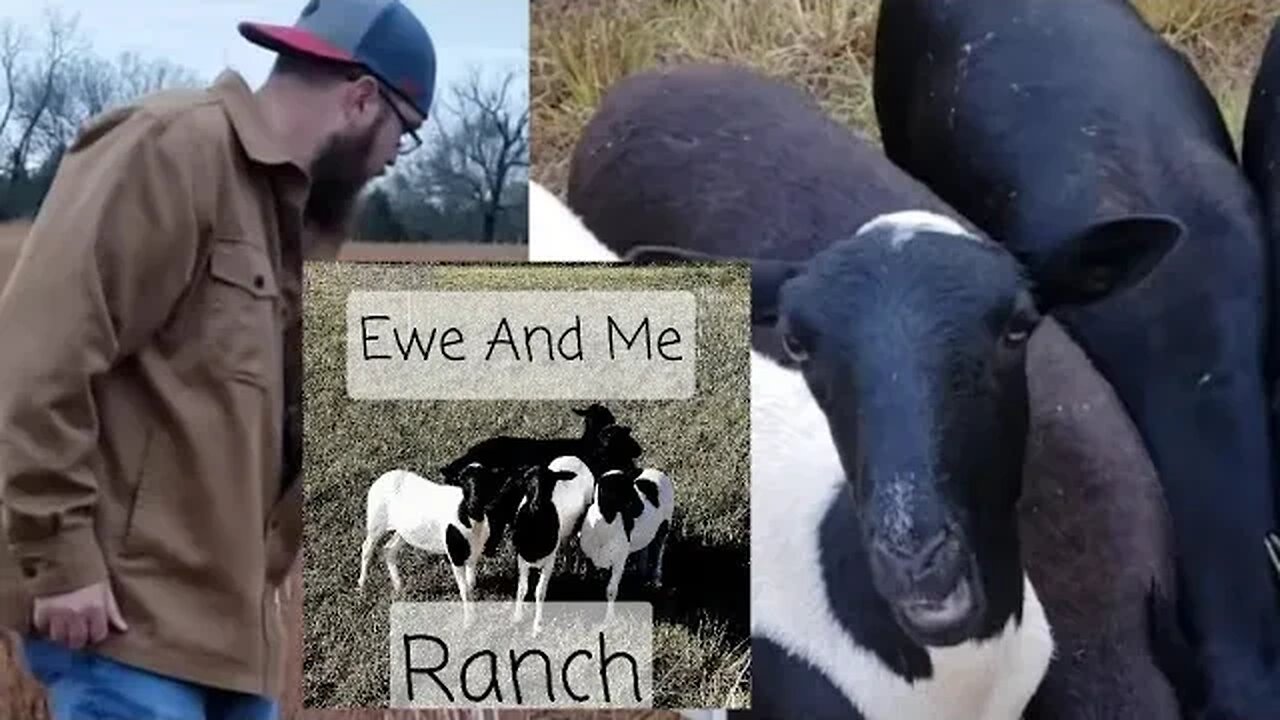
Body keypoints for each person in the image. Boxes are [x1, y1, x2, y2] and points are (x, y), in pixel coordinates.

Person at [0, 0, 435, 718]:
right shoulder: (170, 150)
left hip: (231, 641)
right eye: (404, 134)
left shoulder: (296, 221)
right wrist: (62, 559)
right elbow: (35, 357)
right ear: (361, 99)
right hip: (122, 627)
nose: (393, 158)